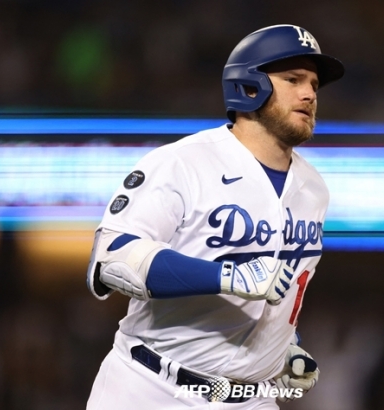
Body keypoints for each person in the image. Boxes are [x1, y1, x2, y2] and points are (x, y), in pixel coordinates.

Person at [86, 24, 344, 409]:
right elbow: (113, 259)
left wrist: (284, 348)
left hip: (251, 398)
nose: (309, 94)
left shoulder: (314, 189)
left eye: (314, 85)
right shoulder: (182, 162)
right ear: (250, 86)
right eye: (293, 80)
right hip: (152, 386)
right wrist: (226, 276)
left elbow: (281, 293)